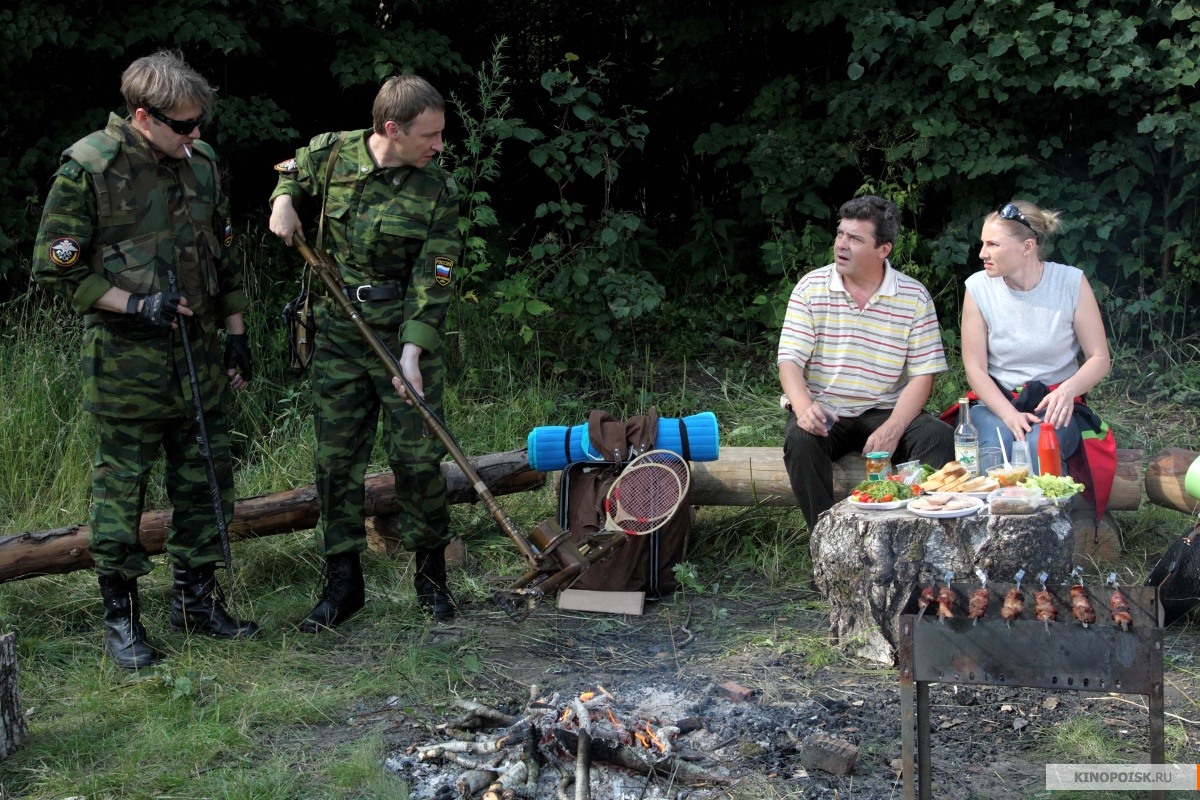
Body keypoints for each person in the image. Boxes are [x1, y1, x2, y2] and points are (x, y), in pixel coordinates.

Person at [31, 50, 259, 670]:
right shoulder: (89, 169)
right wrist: (135, 305)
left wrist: (236, 333)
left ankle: (197, 601)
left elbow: (224, 255)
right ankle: (122, 619)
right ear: (142, 116)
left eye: (199, 125)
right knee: (120, 495)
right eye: (183, 126)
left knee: (207, 480)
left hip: (199, 361)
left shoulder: (202, 164)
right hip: (127, 365)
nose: (195, 136)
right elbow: (56, 267)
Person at [269, 74, 462, 626]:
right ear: (391, 129)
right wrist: (284, 200)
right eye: (430, 135)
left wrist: (412, 352)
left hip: (403, 334)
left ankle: (431, 580)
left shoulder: (437, 190)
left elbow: (436, 275)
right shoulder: (332, 155)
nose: (439, 146)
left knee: (419, 459)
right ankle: (342, 585)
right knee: (335, 462)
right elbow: (289, 173)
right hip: (338, 336)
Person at [779, 195, 955, 530]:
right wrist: (803, 409)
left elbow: (923, 375)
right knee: (801, 441)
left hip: (884, 409)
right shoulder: (811, 287)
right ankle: (826, 542)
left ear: (883, 249)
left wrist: (894, 427)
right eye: (840, 234)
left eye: (855, 238)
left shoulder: (913, 296)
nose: (841, 245)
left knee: (939, 437)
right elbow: (789, 361)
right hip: (825, 409)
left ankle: (912, 535)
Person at [960, 200, 1111, 471]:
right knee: (996, 451)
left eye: (993, 244)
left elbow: (1099, 358)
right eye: (983, 243)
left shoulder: (1070, 282)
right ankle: (990, 513)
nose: (982, 253)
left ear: (1027, 247)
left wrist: (1067, 391)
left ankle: (1052, 514)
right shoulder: (978, 287)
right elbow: (975, 369)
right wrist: (1009, 415)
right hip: (997, 402)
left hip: (1055, 404)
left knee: (1037, 448)